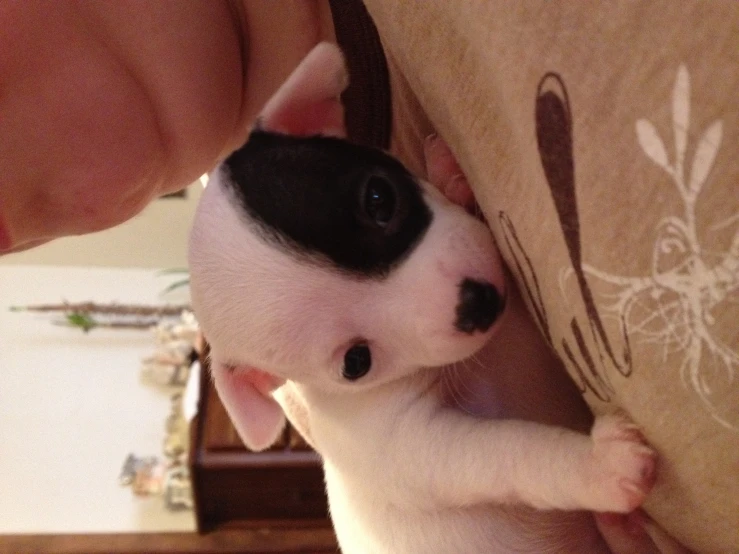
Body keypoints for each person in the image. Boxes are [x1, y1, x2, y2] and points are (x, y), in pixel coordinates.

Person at [1, 2, 736, 552]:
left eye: (380, 201)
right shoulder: (306, 381)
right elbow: (462, 460)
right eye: (356, 360)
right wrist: (582, 475)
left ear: (309, 116)